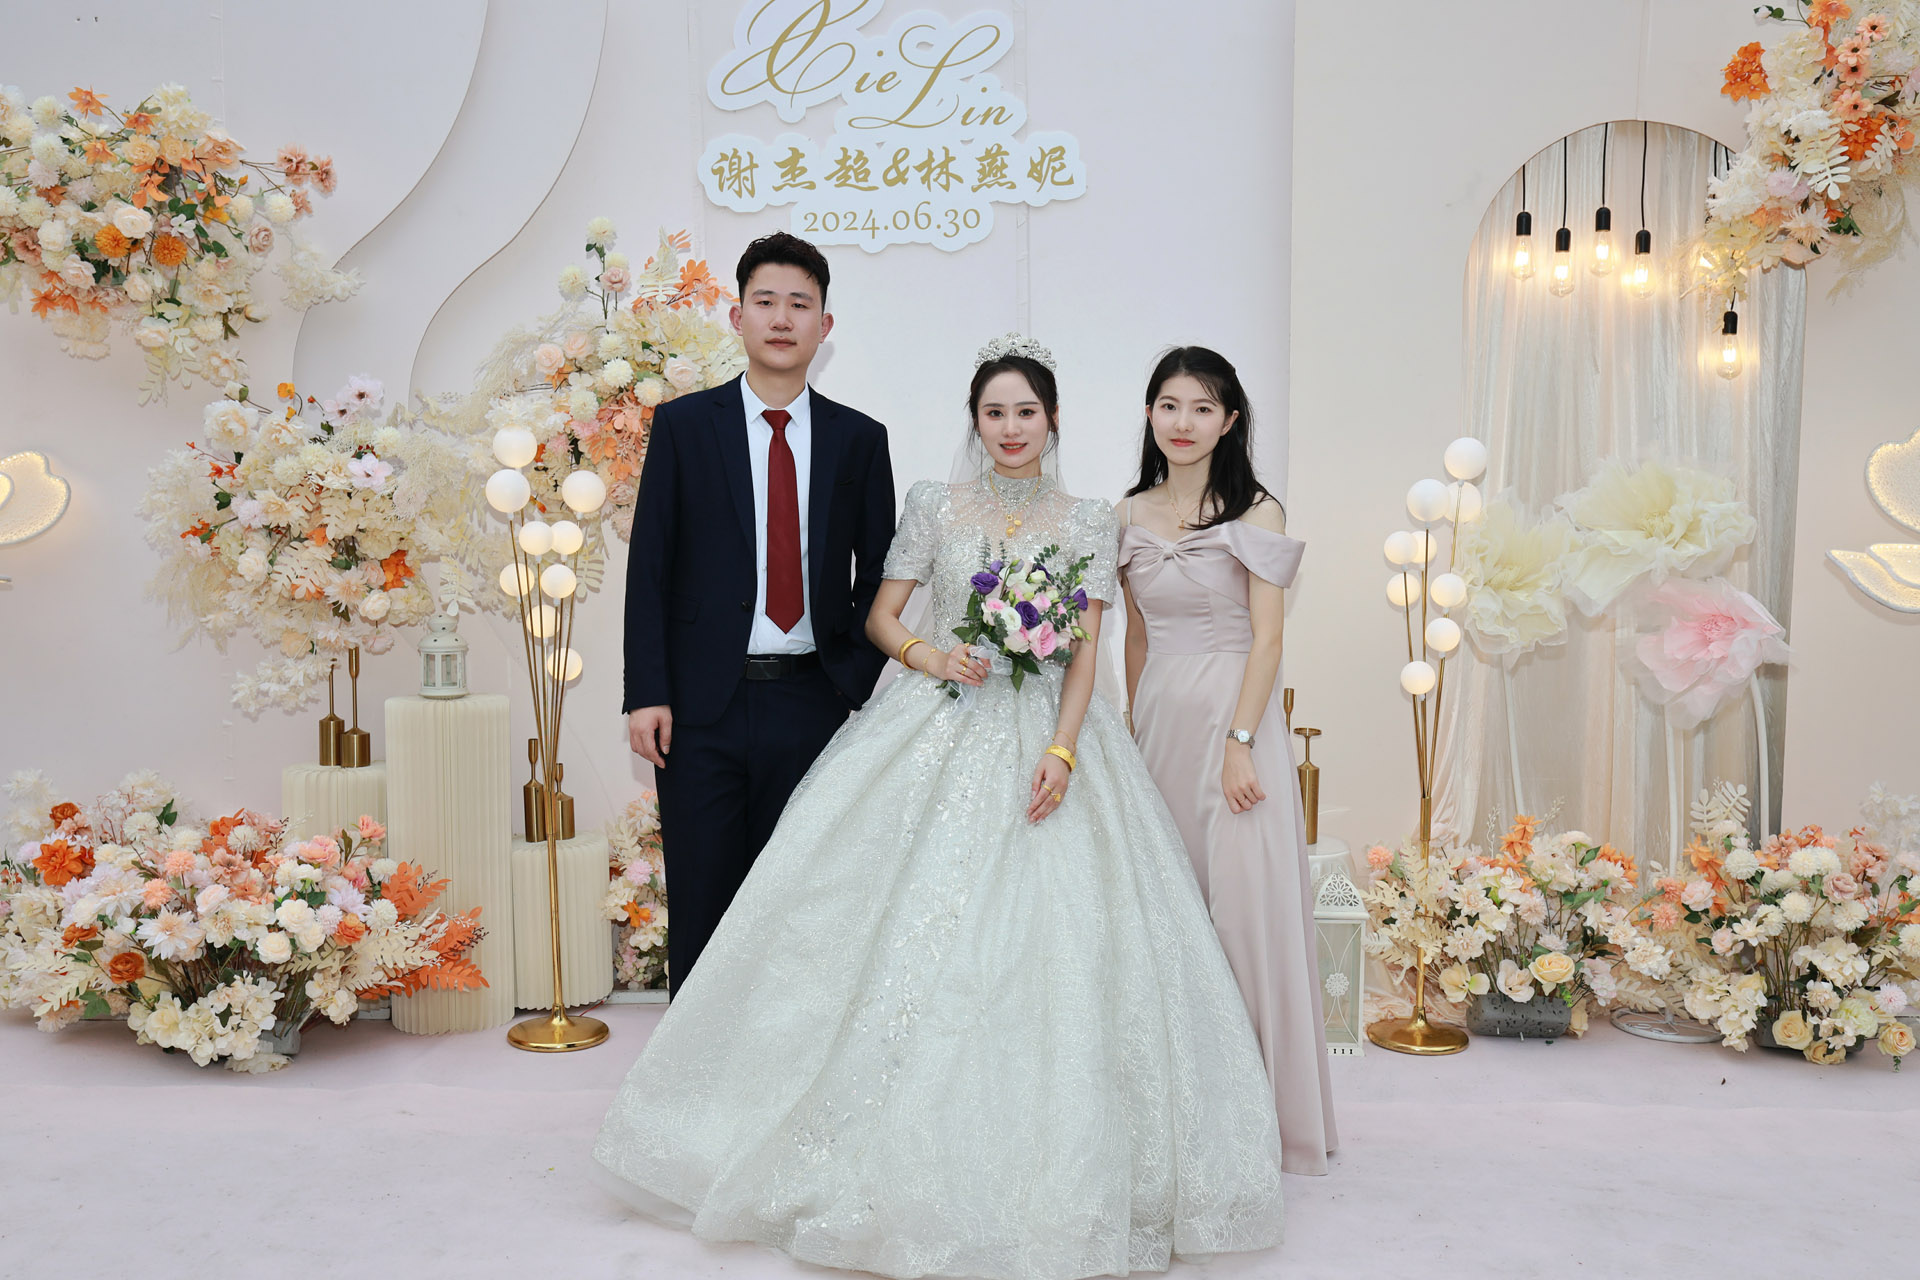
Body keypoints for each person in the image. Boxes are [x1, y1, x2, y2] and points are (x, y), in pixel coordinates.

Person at [594, 335, 1285, 1279]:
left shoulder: (1090, 519)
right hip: (942, 716)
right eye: (994, 413)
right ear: (976, 421)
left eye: (1026, 412)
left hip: (1047, 731)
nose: (1011, 428)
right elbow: (881, 616)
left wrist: (1063, 748)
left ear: (1053, 421)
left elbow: (1086, 650)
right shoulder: (934, 504)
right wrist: (933, 656)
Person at [622, 231, 895, 995]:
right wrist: (647, 692)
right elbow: (650, 567)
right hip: (699, 710)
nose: (781, 318)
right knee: (704, 901)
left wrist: (850, 682)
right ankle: (693, 1066)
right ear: (737, 317)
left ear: (824, 325)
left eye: (799, 304)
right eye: (765, 301)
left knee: (802, 903)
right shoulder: (684, 427)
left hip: (812, 700)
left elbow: (881, 573)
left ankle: (791, 1060)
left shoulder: (859, 440)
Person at [1117, 345, 1338, 1176]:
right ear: (1150, 413)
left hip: (1236, 721)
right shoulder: (1126, 514)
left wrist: (1241, 744)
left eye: (1203, 408)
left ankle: (1263, 1126)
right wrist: (1130, 731)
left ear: (1230, 421)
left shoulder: (1257, 511)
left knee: (1244, 917)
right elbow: (1136, 638)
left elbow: (1269, 640)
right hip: (1161, 723)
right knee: (1169, 918)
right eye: (1170, 405)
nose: (1184, 422)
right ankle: (1185, 1121)